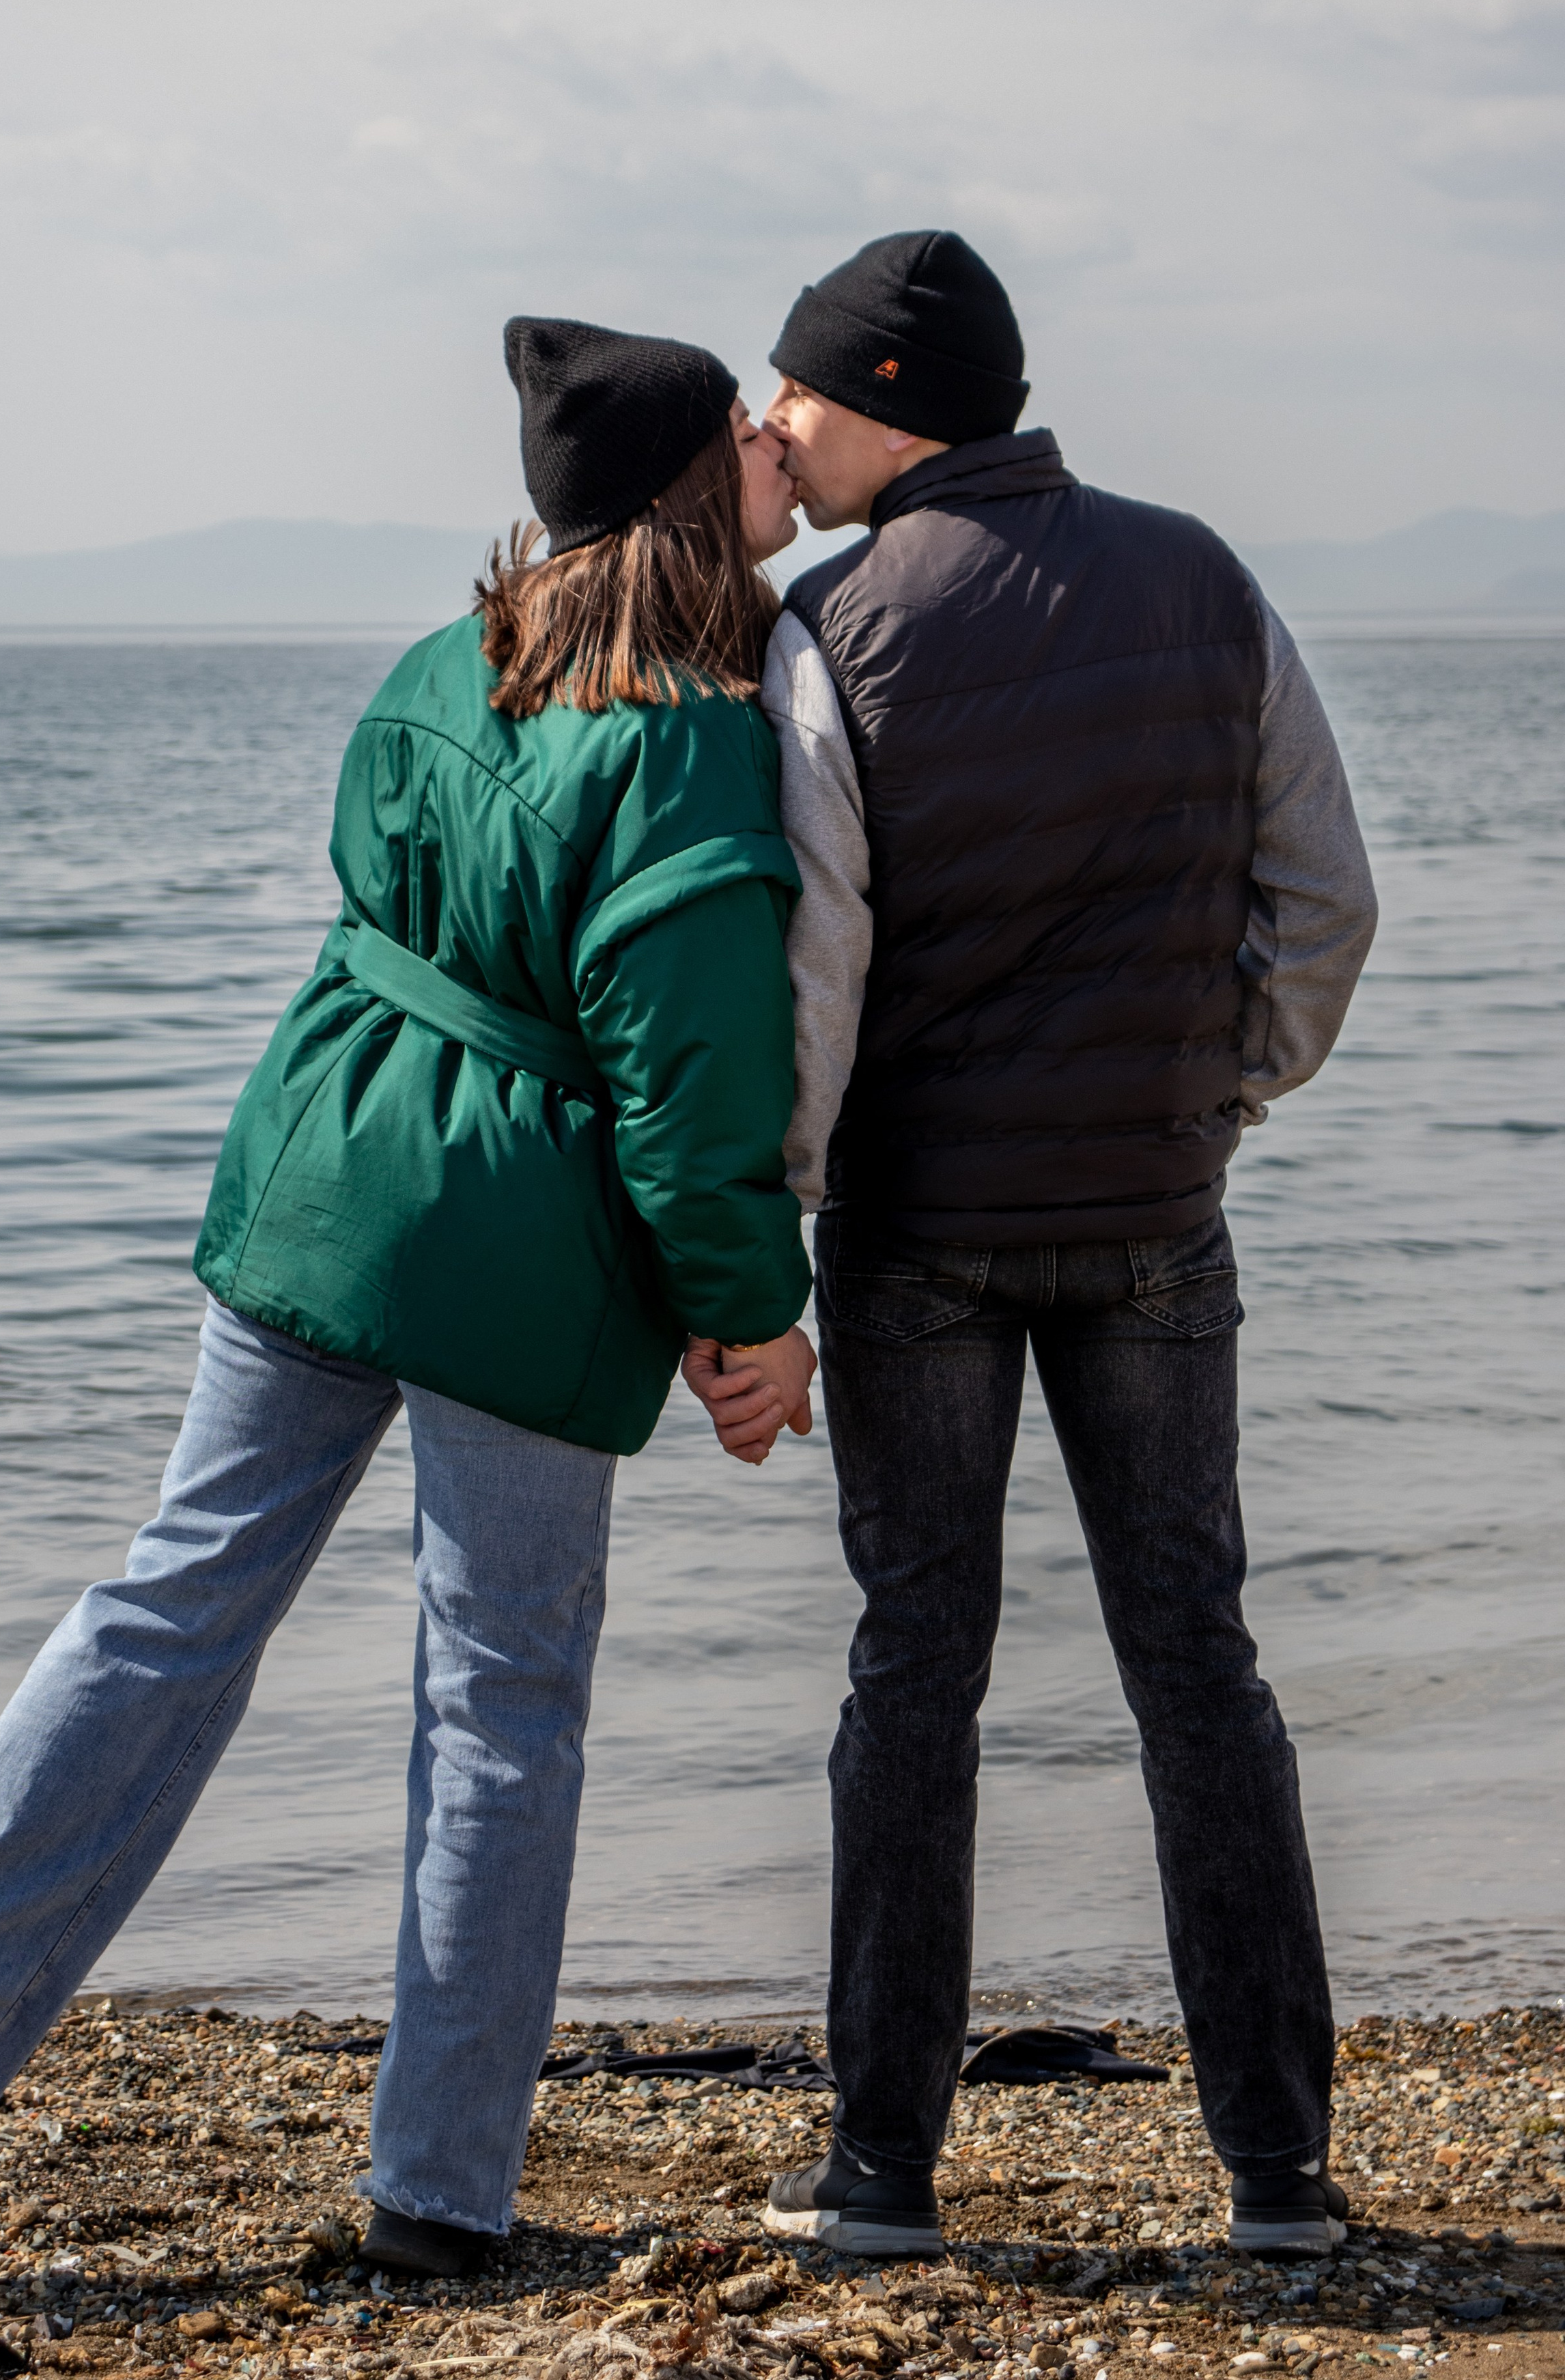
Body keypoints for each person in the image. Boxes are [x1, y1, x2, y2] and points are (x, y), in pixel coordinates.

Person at [0, 317, 819, 2278]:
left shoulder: (452, 657)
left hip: (321, 1158)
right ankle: (439, 2195)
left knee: (177, 1590)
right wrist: (750, 1317)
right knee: (502, 1698)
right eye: (750, 444)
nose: (780, 461)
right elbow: (691, 1072)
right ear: (696, 487)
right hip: (515, 1229)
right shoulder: (693, 732)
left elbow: (381, 878)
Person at [695, 231, 1378, 2263]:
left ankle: (883, 2175)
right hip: (1158, 1218)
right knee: (1203, 1671)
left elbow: (819, 966)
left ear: (882, 396)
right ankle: (1278, 2177)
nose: (773, 430)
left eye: (793, 393)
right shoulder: (1206, 575)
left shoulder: (830, 627)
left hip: (919, 1241)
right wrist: (1213, 1098)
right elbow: (1323, 905)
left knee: (916, 1672)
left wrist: (790, 1201)